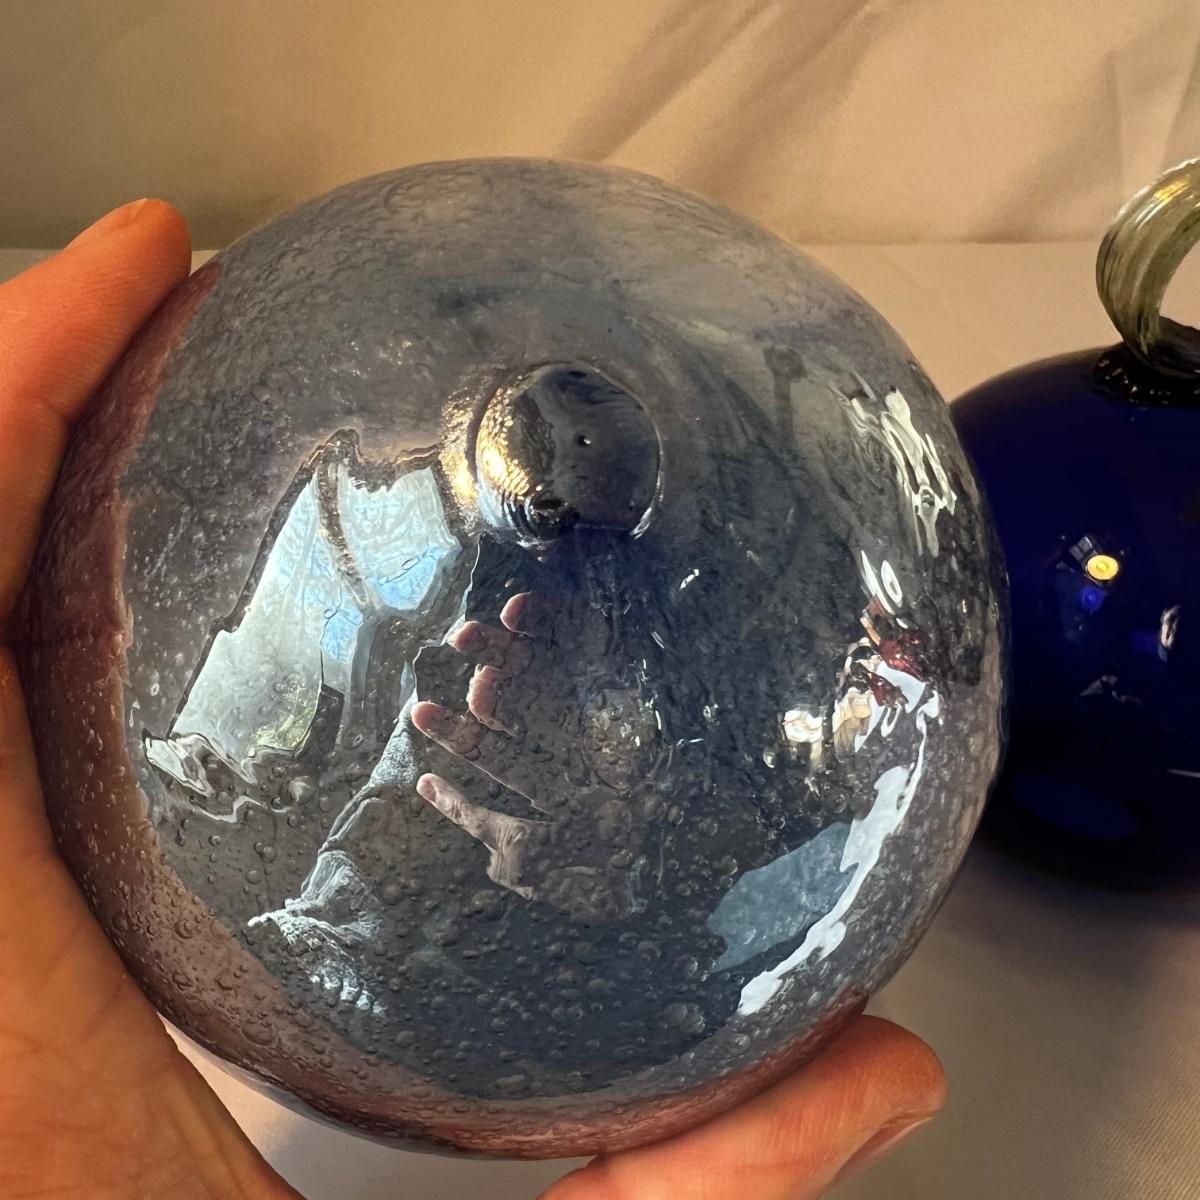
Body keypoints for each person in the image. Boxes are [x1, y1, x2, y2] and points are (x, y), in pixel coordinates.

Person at [0, 199, 946, 1199]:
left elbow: (749, 902)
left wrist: (608, 888)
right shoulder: (401, 695)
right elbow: (300, 935)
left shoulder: (725, 726)